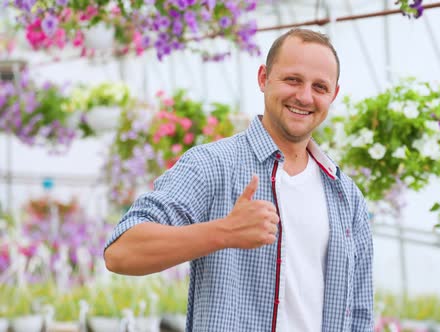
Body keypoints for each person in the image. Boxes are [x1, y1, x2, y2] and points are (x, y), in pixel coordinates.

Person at [104, 28, 373, 331]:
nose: (304, 96)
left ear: (333, 95)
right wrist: (224, 232)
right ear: (263, 78)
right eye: (292, 79)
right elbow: (121, 252)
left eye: (320, 87)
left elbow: (360, 314)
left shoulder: (346, 196)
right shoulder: (212, 165)